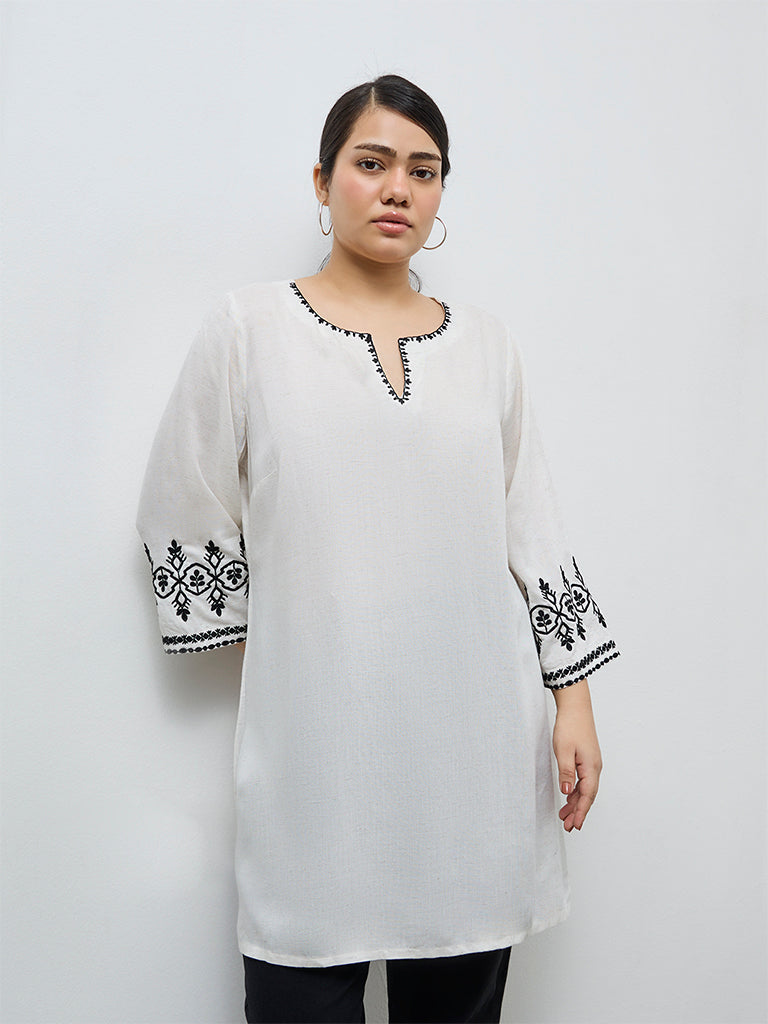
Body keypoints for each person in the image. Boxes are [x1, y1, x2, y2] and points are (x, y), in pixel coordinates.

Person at [136, 74, 620, 1024]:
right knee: (300, 980)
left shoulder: (487, 347)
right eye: (372, 163)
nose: (399, 188)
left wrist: (575, 701)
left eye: (423, 170)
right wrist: (291, 642)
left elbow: (535, 524)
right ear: (323, 182)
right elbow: (179, 498)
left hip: (477, 750)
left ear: (440, 194)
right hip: (318, 755)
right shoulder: (249, 330)